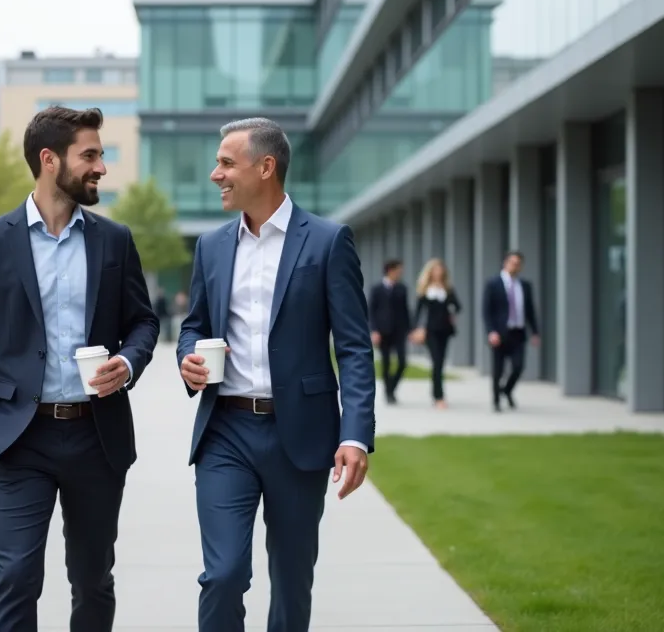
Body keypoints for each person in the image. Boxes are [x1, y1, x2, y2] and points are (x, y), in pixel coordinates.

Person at [0, 105, 160, 632]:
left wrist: (127, 363)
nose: (101, 167)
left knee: (92, 579)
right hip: (19, 438)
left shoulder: (115, 240)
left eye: (101, 156)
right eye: (90, 156)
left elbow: (142, 321)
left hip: (97, 436)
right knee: (16, 576)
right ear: (49, 160)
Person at [176, 117, 376, 632]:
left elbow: (354, 348)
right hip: (225, 431)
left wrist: (355, 435)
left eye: (226, 163)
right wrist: (189, 358)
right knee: (223, 575)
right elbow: (194, 325)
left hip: (301, 436)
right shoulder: (211, 246)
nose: (215, 174)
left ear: (265, 167)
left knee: (291, 580)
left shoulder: (328, 241)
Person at [480, 250, 540, 411]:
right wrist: (491, 331)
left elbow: (530, 310)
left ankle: (506, 390)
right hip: (500, 333)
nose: (515, 266)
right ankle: (496, 401)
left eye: (518, 264)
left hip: (518, 332)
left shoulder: (525, 286)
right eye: (512, 263)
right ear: (505, 263)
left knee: (518, 366)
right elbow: (486, 311)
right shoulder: (493, 283)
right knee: (498, 369)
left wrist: (535, 331)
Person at [410, 258, 461, 409]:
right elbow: (418, 313)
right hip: (430, 331)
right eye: (436, 270)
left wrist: (451, 308)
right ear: (430, 272)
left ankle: (436, 393)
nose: (438, 272)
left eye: (440, 270)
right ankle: (439, 396)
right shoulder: (425, 290)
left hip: (444, 330)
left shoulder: (448, 289)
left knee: (440, 362)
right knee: (437, 361)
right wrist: (415, 329)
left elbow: (457, 307)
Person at [367, 259, 413, 404]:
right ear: (390, 271)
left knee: (402, 362)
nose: (400, 273)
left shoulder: (402, 288)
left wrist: (410, 329)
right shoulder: (377, 289)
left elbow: (405, 311)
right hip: (383, 331)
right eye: (398, 271)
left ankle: (391, 387)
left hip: (399, 331)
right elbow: (371, 311)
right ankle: (388, 393)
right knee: (386, 363)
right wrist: (374, 330)